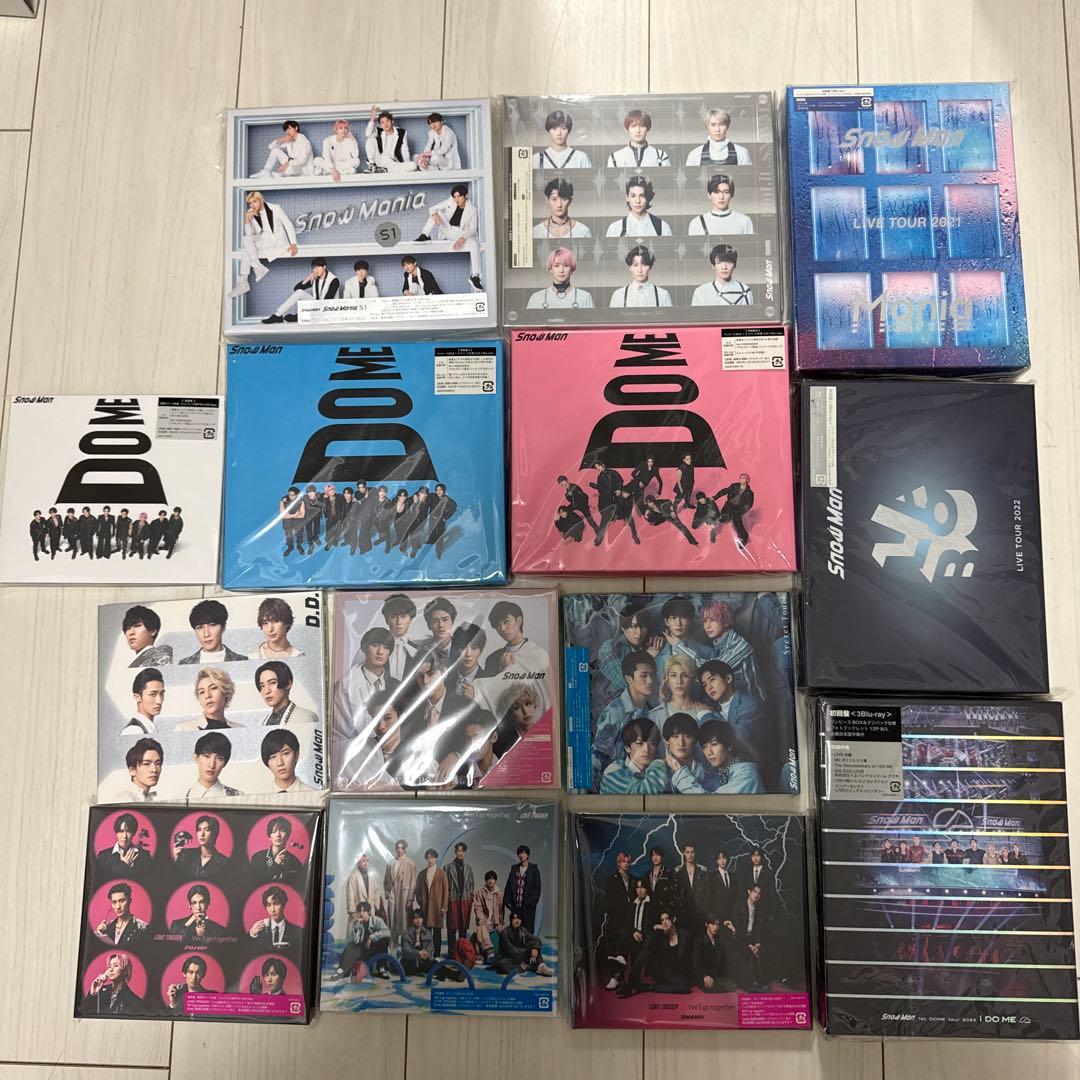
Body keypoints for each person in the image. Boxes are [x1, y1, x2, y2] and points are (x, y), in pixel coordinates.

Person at [594, 651, 658, 778]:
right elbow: (598, 755)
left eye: (652, 675)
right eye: (643, 676)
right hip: (613, 781)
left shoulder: (651, 711)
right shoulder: (615, 711)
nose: (650, 681)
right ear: (629, 679)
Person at [697, 659, 767, 766]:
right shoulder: (712, 707)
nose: (709, 687)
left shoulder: (750, 704)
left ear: (728, 678)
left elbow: (734, 740)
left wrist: (705, 716)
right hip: (727, 769)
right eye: (705, 684)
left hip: (757, 767)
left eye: (712, 680)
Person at [228, 191, 298, 298]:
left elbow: (288, 225)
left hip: (275, 242)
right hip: (262, 240)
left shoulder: (275, 208)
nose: (252, 205)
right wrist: (247, 219)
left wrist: (293, 243)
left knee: (245, 249)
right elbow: (250, 234)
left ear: (261, 200)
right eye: (250, 203)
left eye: (254, 202)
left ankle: (244, 281)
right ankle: (256, 269)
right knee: (246, 239)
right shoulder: (250, 212)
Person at [594, 600, 661, 705]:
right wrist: (648, 657)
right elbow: (626, 681)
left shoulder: (646, 648)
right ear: (623, 627)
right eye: (634, 626)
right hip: (603, 710)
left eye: (643, 626)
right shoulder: (610, 647)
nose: (639, 632)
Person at [416, 184, 483, 289]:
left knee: (475, 244)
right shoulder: (451, 201)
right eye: (454, 197)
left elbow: (473, 229)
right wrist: (434, 215)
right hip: (449, 230)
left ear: (465, 196)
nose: (456, 199)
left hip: (462, 233)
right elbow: (433, 208)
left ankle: (475, 276)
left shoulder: (472, 209)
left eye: (459, 196)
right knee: (437, 212)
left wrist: (462, 238)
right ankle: (425, 234)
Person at [616, 909, 691, 997]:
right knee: (645, 952)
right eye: (662, 920)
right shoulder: (661, 935)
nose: (664, 922)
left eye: (667, 919)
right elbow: (647, 946)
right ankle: (629, 985)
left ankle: (647, 987)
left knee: (683, 986)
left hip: (676, 974)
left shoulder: (685, 936)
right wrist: (656, 929)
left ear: (673, 919)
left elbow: (690, 959)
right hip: (662, 970)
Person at [600, 716, 669, 794]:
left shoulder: (656, 770)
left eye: (652, 743)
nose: (646, 749)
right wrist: (660, 763)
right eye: (640, 743)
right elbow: (640, 795)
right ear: (627, 748)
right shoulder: (613, 770)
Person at [700, 600, 757, 694]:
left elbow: (710, 668)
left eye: (712, 620)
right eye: (705, 621)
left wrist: (680, 647)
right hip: (731, 700)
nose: (707, 626)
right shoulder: (718, 645)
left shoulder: (739, 644)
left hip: (752, 701)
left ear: (726, 621)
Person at [481, 601, 549, 677]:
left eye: (506, 621)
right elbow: (486, 685)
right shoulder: (492, 659)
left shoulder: (539, 655)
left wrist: (507, 671)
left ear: (519, 621)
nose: (502, 628)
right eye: (498, 625)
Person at [262, 257, 340, 324]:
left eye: (318, 267)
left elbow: (327, 300)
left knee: (293, 317)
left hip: (328, 309)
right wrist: (308, 278)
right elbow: (296, 288)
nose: (316, 270)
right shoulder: (314, 278)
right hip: (317, 306)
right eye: (314, 268)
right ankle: (277, 315)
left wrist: (308, 310)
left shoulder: (334, 280)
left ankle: (299, 316)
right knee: (299, 292)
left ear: (324, 267)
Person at [699, 718, 763, 794]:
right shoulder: (715, 774)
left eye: (714, 744)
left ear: (729, 745)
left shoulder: (746, 772)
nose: (709, 752)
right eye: (704, 746)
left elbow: (712, 800)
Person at [654, 595, 708, 676]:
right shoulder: (656, 650)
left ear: (690, 620)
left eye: (683, 617)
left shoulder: (707, 652)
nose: (678, 623)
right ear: (666, 622)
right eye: (673, 618)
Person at [179, 600, 245, 664]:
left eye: (212, 625)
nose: (206, 634)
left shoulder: (242, 660)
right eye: (200, 627)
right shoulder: (184, 663)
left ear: (223, 627)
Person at [729, 883, 769, 989]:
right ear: (749, 892)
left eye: (759, 893)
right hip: (740, 937)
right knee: (747, 951)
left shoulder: (760, 909)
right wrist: (749, 945)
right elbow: (738, 929)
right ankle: (751, 983)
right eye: (754, 892)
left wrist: (758, 943)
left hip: (753, 937)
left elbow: (759, 929)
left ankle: (758, 980)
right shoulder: (739, 906)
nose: (756, 895)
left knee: (764, 949)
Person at [526, 247, 593, 309]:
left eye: (566, 265)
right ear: (550, 269)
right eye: (557, 265)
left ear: (572, 269)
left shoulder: (585, 297)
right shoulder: (536, 298)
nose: (561, 270)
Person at [606, 175, 672, 237]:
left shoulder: (663, 228)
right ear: (627, 197)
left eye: (642, 195)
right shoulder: (614, 229)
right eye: (633, 196)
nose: (637, 201)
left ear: (648, 197)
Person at [256, 661, 318, 726]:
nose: (266, 691)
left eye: (272, 683)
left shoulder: (306, 718)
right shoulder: (262, 722)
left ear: (288, 684)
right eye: (262, 686)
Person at [689, 174, 754, 236]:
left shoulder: (744, 221)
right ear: (709, 195)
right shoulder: (696, 223)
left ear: (732, 195)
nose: (721, 197)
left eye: (726, 192)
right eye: (716, 192)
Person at [685, 108, 751, 166]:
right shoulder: (694, 155)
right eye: (713, 125)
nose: (717, 129)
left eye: (721, 124)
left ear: (727, 127)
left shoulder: (742, 153)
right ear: (707, 127)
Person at [186, 731, 243, 798]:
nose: (212, 765)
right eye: (207, 756)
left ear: (225, 763)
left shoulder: (238, 796)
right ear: (196, 758)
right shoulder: (182, 797)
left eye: (219, 758)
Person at [383, 839, 418, 947]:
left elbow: (413, 883)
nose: (399, 850)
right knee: (392, 923)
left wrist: (410, 899)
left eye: (401, 848)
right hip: (392, 895)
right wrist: (387, 893)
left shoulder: (410, 864)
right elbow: (386, 880)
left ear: (405, 849)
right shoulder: (390, 863)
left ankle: (405, 949)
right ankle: (392, 950)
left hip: (404, 897)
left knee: (404, 924)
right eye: (397, 848)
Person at [415, 848, 449, 957]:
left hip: (437, 907)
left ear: (436, 858)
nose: (430, 860)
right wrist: (421, 901)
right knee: (426, 932)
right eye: (428, 858)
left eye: (432, 857)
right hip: (425, 907)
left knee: (437, 932)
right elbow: (417, 890)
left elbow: (446, 891)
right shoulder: (422, 874)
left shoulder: (442, 873)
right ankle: (427, 954)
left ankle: (437, 955)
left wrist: (444, 906)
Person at [173, 814, 230, 879]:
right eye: (199, 830)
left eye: (207, 830)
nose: (202, 834)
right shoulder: (185, 855)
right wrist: (176, 859)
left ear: (214, 833)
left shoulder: (224, 862)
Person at [95, 812, 150, 878]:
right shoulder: (103, 856)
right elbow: (102, 879)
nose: (124, 836)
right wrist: (124, 864)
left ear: (134, 833)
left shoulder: (145, 856)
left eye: (129, 831)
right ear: (116, 833)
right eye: (121, 831)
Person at [444, 842, 476, 953]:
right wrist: (447, 897)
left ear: (465, 852)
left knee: (463, 928)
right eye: (458, 851)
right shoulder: (448, 867)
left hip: (465, 900)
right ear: (455, 852)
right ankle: (452, 952)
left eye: (462, 851)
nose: (460, 853)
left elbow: (471, 884)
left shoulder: (468, 868)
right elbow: (445, 885)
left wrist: (470, 896)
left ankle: (462, 952)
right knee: (451, 928)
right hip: (452, 899)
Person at [251, 815, 304, 880]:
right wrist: (275, 864)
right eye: (274, 831)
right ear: (269, 837)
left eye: (282, 830)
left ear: (288, 836)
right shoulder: (257, 858)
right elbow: (257, 881)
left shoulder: (295, 862)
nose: (278, 835)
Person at [95, 882, 147, 947]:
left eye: (122, 901)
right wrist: (100, 934)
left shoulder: (142, 927)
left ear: (130, 901)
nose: (118, 907)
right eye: (114, 902)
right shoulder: (107, 927)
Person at [365, 106, 417, 172]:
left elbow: (404, 150)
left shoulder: (401, 132)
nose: (385, 124)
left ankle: (382, 170)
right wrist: (373, 116)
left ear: (392, 122)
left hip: (392, 161)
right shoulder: (379, 131)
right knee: (370, 139)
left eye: (387, 121)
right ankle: (372, 166)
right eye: (382, 123)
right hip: (379, 159)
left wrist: (407, 163)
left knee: (413, 165)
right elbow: (368, 134)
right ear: (380, 125)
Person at [674, 842, 710, 933]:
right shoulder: (677, 871)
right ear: (684, 853)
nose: (690, 855)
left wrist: (703, 911)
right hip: (683, 915)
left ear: (695, 853)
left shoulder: (702, 870)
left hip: (699, 915)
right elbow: (675, 894)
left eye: (692, 852)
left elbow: (707, 893)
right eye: (687, 852)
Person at [248, 885, 299, 950]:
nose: (272, 910)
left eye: (276, 904)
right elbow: (246, 949)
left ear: (283, 905)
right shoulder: (259, 931)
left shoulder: (297, 931)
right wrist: (252, 933)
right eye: (268, 905)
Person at [504, 845, 542, 933]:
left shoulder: (533, 869)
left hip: (527, 907)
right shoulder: (514, 869)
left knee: (527, 930)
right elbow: (509, 886)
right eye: (520, 853)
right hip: (515, 906)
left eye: (524, 853)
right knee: (514, 930)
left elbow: (537, 888)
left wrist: (530, 903)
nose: (522, 855)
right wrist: (508, 901)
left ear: (527, 855)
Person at [261, 728, 312, 793]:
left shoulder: (314, 795)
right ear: (267, 763)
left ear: (296, 754)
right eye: (273, 757)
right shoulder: (259, 796)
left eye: (285, 753)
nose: (280, 763)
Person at [379, 594, 417, 680]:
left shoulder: (418, 651)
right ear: (386, 620)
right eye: (393, 617)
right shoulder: (376, 649)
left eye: (403, 616)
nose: (399, 622)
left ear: (410, 619)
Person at [346, 852, 386, 931]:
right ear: (358, 862)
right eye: (363, 861)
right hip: (358, 910)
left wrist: (377, 906)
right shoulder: (353, 876)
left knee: (370, 931)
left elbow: (376, 891)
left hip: (370, 910)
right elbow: (350, 894)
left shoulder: (372, 876)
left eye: (367, 861)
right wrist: (352, 911)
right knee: (358, 932)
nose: (366, 863)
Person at [715, 473, 755, 546]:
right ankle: (727, 519)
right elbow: (725, 491)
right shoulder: (734, 486)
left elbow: (748, 505)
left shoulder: (749, 493)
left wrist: (740, 512)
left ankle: (744, 538)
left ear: (747, 480)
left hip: (737, 509)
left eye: (744, 478)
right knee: (722, 518)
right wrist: (716, 497)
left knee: (738, 525)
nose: (741, 479)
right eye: (740, 478)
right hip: (729, 505)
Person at [472, 870, 504, 963]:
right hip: (484, 920)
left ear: (495, 881)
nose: (491, 881)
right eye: (489, 879)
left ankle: (480, 955)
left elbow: (501, 910)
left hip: (495, 923)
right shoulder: (480, 892)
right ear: (486, 881)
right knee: (480, 926)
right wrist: (481, 918)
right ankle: (489, 951)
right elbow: (477, 907)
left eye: (493, 879)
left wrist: (500, 923)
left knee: (479, 931)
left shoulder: (499, 894)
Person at [122, 668, 165, 736]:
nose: (159, 701)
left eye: (161, 694)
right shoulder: (134, 730)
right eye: (152, 694)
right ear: (137, 697)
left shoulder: (150, 727)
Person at [119, 737, 164, 801]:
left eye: (158, 764)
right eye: (146, 764)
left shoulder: (146, 798)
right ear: (132, 770)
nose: (154, 770)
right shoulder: (125, 798)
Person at [695, 914, 728, 992]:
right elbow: (695, 962)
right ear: (706, 924)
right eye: (713, 924)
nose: (715, 927)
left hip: (716, 976)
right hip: (704, 975)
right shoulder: (699, 940)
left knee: (730, 987)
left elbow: (723, 961)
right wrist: (704, 976)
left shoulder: (719, 940)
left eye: (717, 925)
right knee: (711, 988)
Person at [424, 483, 458, 556]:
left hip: (440, 520)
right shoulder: (433, 496)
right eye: (437, 490)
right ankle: (431, 542)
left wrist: (445, 518)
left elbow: (454, 507)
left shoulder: (447, 499)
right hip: (432, 518)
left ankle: (439, 551)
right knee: (431, 531)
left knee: (440, 535)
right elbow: (424, 494)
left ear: (444, 491)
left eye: (440, 490)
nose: (438, 491)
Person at [400, 910, 436, 975]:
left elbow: (431, 947)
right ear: (412, 920)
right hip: (410, 961)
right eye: (415, 918)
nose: (418, 920)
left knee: (437, 966)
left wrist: (426, 953)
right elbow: (405, 951)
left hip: (423, 960)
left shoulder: (427, 932)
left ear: (422, 919)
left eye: (420, 918)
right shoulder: (406, 933)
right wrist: (418, 953)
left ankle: (454, 974)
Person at [709, 850, 738, 925]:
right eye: (719, 858)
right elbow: (710, 897)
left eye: (724, 858)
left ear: (727, 859)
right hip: (718, 917)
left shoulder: (733, 877)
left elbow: (735, 897)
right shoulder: (712, 876)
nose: (722, 861)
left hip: (732, 917)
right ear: (716, 861)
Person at [646, 846, 676, 914]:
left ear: (662, 857)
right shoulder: (647, 874)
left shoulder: (669, 873)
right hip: (650, 909)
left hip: (664, 909)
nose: (655, 858)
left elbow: (673, 893)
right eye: (653, 855)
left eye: (657, 855)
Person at [280, 487, 305, 556]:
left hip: (298, 522)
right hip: (287, 523)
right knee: (288, 536)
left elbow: (302, 515)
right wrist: (295, 515)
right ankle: (290, 547)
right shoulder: (283, 501)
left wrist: (289, 515)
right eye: (289, 494)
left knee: (299, 535)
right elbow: (282, 516)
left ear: (297, 494)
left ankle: (299, 546)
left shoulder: (301, 501)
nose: (290, 496)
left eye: (292, 495)